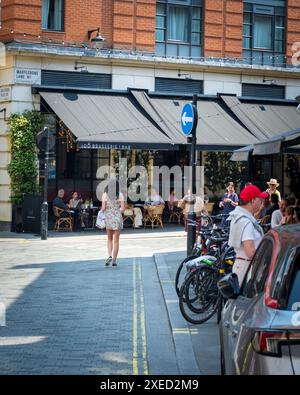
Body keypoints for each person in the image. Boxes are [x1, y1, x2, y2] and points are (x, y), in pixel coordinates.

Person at [228, 184, 267, 286]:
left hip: (241, 265)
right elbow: (250, 252)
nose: (262, 202)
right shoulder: (247, 222)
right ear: (253, 200)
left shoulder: (239, 216)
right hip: (248, 268)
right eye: (260, 199)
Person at [102, 178, 125, 267]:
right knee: (116, 241)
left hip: (108, 218)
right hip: (117, 219)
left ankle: (109, 256)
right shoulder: (120, 195)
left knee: (109, 239)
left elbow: (103, 208)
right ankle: (114, 260)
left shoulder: (104, 195)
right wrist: (117, 210)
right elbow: (123, 209)